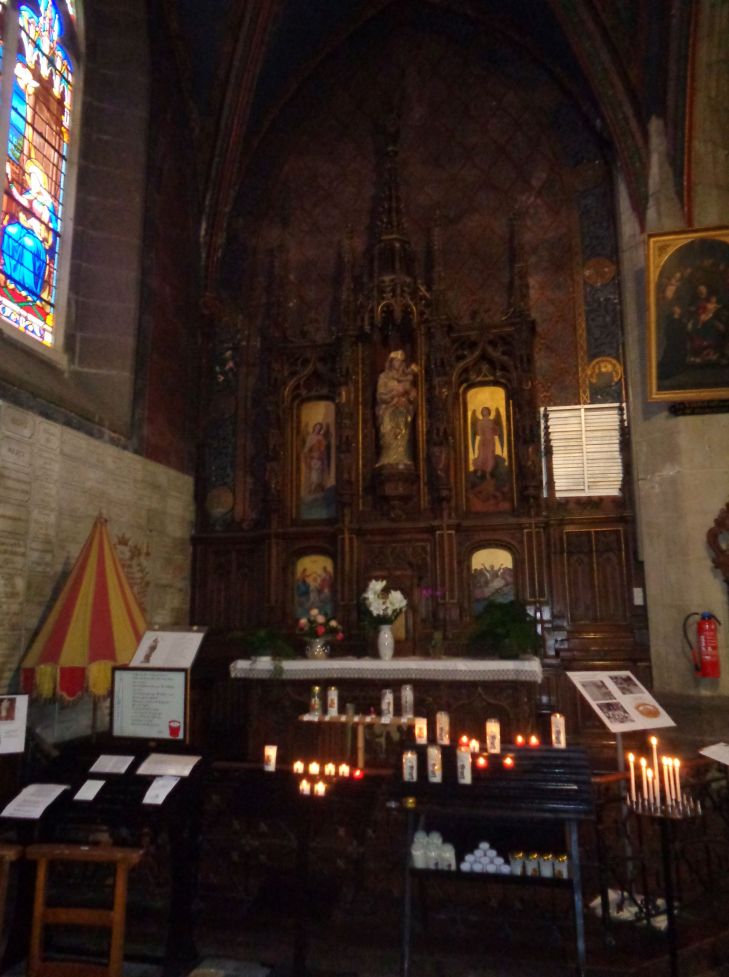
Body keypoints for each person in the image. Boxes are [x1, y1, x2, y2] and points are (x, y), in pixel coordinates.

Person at [1, 157, 57, 299]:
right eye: (30, 178)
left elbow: (52, 230)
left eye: (34, 178)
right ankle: (10, 276)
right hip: (24, 229)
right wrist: (10, 182)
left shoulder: (47, 202)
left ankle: (28, 290)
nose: (32, 182)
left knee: (28, 244)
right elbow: (21, 201)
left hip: (38, 238)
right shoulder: (29, 195)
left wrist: (45, 228)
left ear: (41, 180)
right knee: (9, 231)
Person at [375, 350, 418, 467]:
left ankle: (402, 457)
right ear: (391, 362)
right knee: (388, 434)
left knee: (402, 435)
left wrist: (410, 395)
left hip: (403, 411)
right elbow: (380, 395)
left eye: (400, 361)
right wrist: (394, 394)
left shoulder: (407, 378)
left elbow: (413, 397)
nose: (398, 363)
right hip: (388, 411)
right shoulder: (384, 377)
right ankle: (387, 458)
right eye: (395, 361)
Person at [470, 406, 503, 478]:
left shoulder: (492, 422)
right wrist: (484, 436)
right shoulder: (480, 422)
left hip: (491, 441)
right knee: (482, 455)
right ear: (482, 413)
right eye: (484, 411)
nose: (485, 412)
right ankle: (480, 470)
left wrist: (495, 429)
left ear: (489, 412)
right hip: (483, 441)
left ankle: (488, 472)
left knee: (490, 456)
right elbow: (478, 432)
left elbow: (496, 432)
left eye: (486, 411)